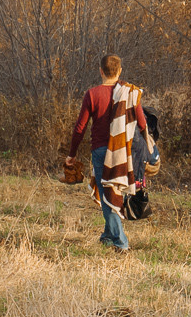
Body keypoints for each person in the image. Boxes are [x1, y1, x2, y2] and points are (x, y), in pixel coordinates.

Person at [65, 55, 154, 252]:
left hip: (100, 151)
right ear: (119, 71)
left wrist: (72, 154)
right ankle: (107, 236)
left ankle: (121, 243)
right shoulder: (129, 93)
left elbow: (80, 127)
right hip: (122, 150)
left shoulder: (92, 94)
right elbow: (142, 123)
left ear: (101, 71)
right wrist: (149, 148)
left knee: (108, 196)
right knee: (112, 191)